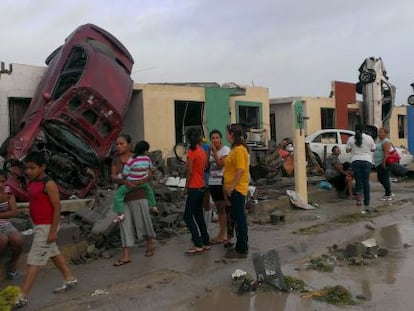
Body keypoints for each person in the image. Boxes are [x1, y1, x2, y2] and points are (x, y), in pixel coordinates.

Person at [14, 152, 78, 308]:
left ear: (43, 167)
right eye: (26, 168)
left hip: (46, 226)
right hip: (38, 226)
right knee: (53, 253)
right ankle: (69, 278)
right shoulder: (32, 182)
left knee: (33, 261)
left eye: (32, 168)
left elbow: (57, 207)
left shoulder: (48, 184)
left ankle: (22, 296)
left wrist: (53, 231)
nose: (28, 171)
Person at [111, 134, 156, 265]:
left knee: (143, 220)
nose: (118, 146)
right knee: (124, 224)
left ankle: (150, 244)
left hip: (139, 194)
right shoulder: (116, 159)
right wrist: (125, 182)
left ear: (129, 145)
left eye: (122, 144)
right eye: (117, 144)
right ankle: (126, 255)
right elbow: (113, 176)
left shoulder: (139, 157)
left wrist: (142, 180)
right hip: (124, 196)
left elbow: (150, 173)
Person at [112, 140, 158, 223]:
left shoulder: (131, 161)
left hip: (130, 184)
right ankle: (153, 207)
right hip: (143, 183)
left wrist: (117, 176)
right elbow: (151, 168)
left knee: (118, 195)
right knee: (150, 192)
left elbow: (125, 174)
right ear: (145, 151)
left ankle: (120, 215)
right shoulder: (147, 159)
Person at [223, 124, 250, 258]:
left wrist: (232, 186)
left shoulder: (239, 150)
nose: (226, 135)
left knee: (239, 218)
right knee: (237, 217)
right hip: (233, 188)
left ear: (231, 134)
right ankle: (241, 245)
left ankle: (242, 247)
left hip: (238, 189)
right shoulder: (235, 149)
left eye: (227, 133)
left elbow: (240, 170)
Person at [183, 128, 210, 255]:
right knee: (199, 215)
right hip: (202, 185)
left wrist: (185, 188)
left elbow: (189, 172)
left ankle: (197, 243)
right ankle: (205, 241)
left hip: (194, 186)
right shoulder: (202, 150)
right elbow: (204, 167)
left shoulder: (191, 152)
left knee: (187, 216)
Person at [207, 129, 231, 244]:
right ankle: (222, 233)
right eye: (213, 138)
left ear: (220, 139)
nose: (215, 140)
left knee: (222, 208)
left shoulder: (225, 150)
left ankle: (223, 234)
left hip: (221, 181)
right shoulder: (210, 151)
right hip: (212, 181)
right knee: (218, 208)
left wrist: (215, 153)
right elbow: (207, 166)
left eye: (217, 137)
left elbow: (221, 165)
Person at [346, 124, 376, 213]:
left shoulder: (351, 139)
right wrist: (366, 150)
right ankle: (367, 202)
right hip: (367, 161)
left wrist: (354, 149)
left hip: (355, 161)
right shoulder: (369, 138)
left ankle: (358, 201)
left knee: (358, 181)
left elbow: (347, 150)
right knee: (366, 182)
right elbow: (373, 148)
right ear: (364, 130)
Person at [0, 170, 23, 280]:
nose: (1, 184)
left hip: (5, 224)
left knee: (18, 239)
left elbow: (14, 212)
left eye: (3, 181)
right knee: (2, 240)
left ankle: (12, 265)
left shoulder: (7, 191)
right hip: (3, 223)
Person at [373, 128, 393, 201]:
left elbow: (386, 153)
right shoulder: (380, 141)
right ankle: (388, 192)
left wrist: (384, 162)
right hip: (378, 162)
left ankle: (388, 194)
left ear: (385, 134)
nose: (379, 134)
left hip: (383, 163)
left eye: (381, 132)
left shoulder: (386, 141)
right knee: (381, 178)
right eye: (379, 132)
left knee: (384, 178)